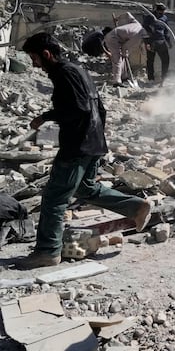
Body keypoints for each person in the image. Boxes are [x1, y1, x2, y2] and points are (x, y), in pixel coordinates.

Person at [16, 32, 152, 269]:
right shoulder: (78, 70)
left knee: (54, 198)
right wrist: (98, 138)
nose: (34, 64)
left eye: (34, 58)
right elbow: (100, 108)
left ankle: (47, 251)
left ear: (46, 54)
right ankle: (136, 207)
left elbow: (77, 109)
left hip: (77, 146)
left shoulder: (63, 74)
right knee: (85, 188)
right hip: (93, 142)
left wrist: (45, 117)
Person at [104, 12, 145, 87]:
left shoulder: (138, 24)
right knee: (118, 60)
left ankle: (124, 77)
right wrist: (125, 53)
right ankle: (116, 82)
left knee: (123, 58)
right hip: (113, 39)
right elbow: (125, 47)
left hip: (117, 37)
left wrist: (118, 18)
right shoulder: (138, 36)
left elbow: (127, 14)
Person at [142, 3, 171, 84]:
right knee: (150, 60)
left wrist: (169, 42)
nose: (161, 13)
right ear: (156, 10)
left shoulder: (164, 18)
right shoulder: (149, 17)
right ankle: (151, 79)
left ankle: (163, 78)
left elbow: (166, 31)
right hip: (151, 42)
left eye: (163, 12)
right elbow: (144, 27)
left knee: (166, 60)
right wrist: (148, 39)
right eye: (160, 12)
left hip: (161, 41)